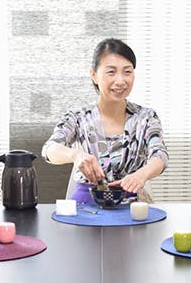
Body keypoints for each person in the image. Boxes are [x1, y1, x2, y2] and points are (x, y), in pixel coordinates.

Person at [42, 38, 169, 203]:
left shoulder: (146, 117)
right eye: (111, 72)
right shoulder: (77, 117)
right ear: (94, 75)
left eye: (127, 72)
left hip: (133, 206)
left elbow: (160, 155)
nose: (120, 81)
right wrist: (75, 155)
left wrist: (141, 175)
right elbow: (49, 149)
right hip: (85, 206)